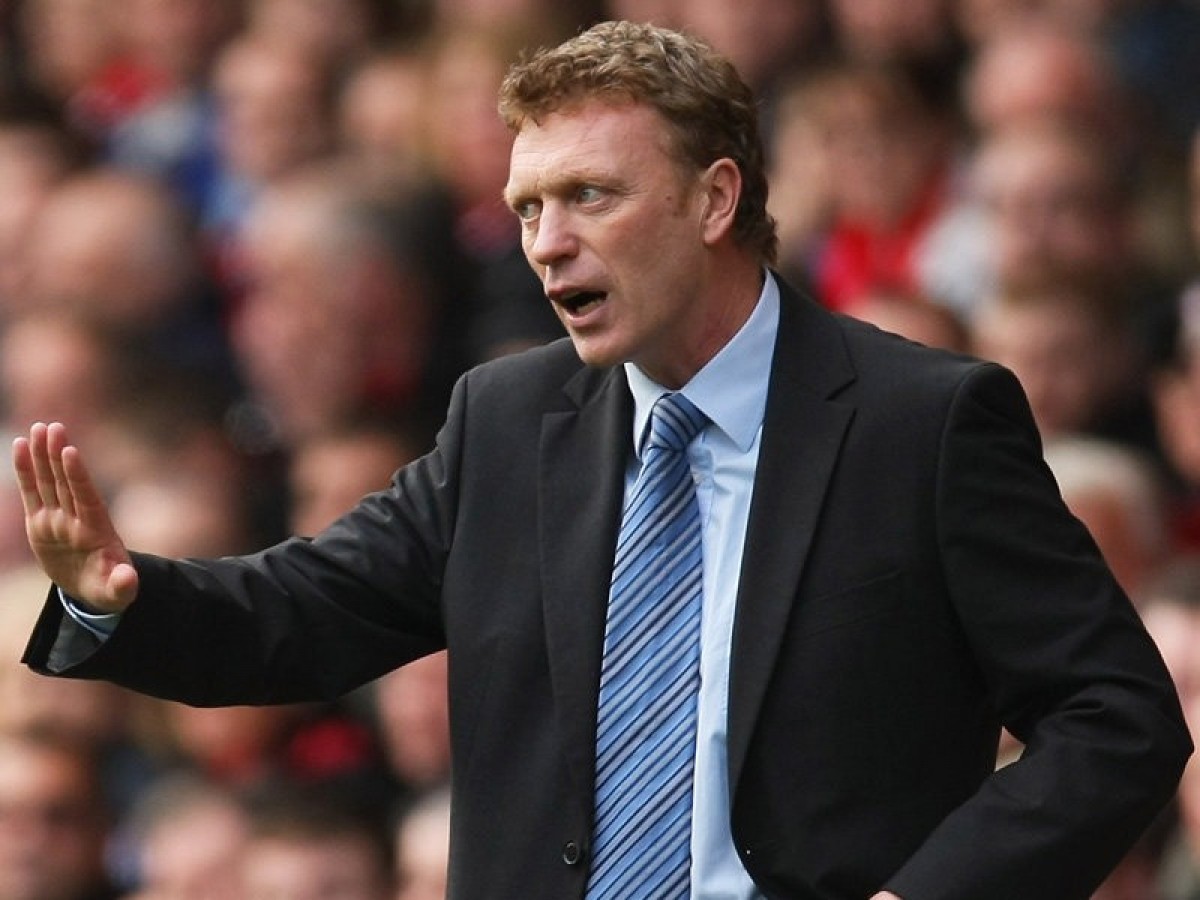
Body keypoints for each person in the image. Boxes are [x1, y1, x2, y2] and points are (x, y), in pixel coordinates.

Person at [11, 20, 1191, 900]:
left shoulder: (919, 422)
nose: (547, 244)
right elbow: (304, 613)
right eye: (528, 208)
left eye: (587, 197)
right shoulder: (506, 419)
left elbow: (1116, 717)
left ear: (715, 199)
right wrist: (118, 597)